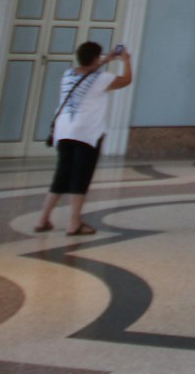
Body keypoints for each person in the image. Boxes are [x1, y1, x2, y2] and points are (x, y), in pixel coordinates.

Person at [34, 41, 132, 237]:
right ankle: (74, 223)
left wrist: (106, 59)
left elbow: (89, 70)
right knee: (80, 176)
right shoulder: (102, 78)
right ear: (95, 58)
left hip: (63, 130)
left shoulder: (68, 74)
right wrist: (126, 61)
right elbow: (126, 80)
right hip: (86, 132)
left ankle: (43, 219)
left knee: (62, 175)